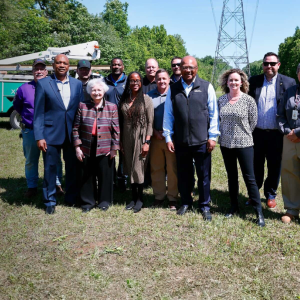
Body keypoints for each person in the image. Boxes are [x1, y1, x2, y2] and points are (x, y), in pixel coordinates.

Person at [163, 56, 220, 220]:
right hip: (181, 140)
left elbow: (213, 113)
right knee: (184, 173)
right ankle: (186, 202)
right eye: (184, 67)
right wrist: (168, 137)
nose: (188, 70)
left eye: (191, 67)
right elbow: (168, 114)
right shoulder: (172, 89)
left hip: (202, 140)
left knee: (204, 175)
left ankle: (204, 205)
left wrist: (213, 136)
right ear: (180, 68)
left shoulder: (206, 87)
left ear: (196, 69)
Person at [34, 54, 84, 214]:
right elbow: (38, 113)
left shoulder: (77, 84)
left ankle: (71, 197)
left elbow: (80, 110)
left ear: (69, 66)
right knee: (50, 168)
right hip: (50, 134)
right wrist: (39, 136)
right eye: (58, 62)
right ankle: (49, 200)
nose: (61, 65)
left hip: (72, 134)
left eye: (65, 63)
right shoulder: (43, 83)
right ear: (53, 65)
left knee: (72, 168)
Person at [248, 52, 296, 208]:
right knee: (256, 164)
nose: (269, 66)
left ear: (278, 65)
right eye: (266, 63)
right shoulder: (253, 81)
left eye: (272, 63)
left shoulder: (289, 82)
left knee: (275, 165)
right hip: (257, 132)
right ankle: (254, 194)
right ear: (262, 65)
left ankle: (270, 195)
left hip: (277, 133)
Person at [218, 69, 265, 227]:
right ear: (226, 82)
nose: (233, 83)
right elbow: (218, 120)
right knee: (232, 177)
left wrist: (242, 134)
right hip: (226, 144)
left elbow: (253, 122)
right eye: (231, 80)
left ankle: (258, 212)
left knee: (249, 178)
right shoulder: (221, 100)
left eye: (236, 80)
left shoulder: (248, 100)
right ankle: (234, 207)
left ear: (242, 82)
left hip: (244, 143)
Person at [13, 59, 64, 198]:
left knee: (55, 159)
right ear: (33, 71)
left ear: (47, 72)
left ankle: (57, 184)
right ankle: (32, 187)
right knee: (31, 159)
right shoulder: (24, 88)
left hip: (49, 130)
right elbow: (18, 106)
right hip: (30, 130)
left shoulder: (53, 86)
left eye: (42, 69)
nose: (39, 71)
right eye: (36, 69)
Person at [73, 79, 120, 212]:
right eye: (93, 90)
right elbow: (75, 128)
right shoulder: (82, 106)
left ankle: (104, 201)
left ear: (104, 91)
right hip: (87, 145)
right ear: (89, 92)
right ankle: (88, 202)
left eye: (99, 90)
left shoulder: (112, 107)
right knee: (87, 174)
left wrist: (114, 149)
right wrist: (77, 147)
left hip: (105, 145)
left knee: (105, 174)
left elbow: (116, 130)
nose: (96, 92)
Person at [119, 71, 154, 213]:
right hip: (126, 138)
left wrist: (147, 142)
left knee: (138, 168)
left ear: (141, 83)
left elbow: (151, 122)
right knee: (129, 167)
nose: (135, 83)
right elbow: (120, 122)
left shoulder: (147, 100)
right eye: (132, 81)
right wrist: (120, 141)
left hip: (141, 137)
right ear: (128, 82)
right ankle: (132, 198)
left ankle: (140, 199)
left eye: (138, 80)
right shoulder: (124, 99)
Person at [147, 69, 178, 210]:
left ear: (169, 79)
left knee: (172, 169)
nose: (161, 81)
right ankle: (159, 196)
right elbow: (145, 118)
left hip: (170, 138)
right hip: (155, 138)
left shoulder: (175, 94)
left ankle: (172, 197)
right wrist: (153, 132)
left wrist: (168, 134)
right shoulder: (148, 96)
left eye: (164, 78)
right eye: (159, 79)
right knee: (156, 168)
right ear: (155, 80)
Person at [277, 63, 300, 223]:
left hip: (296, 135)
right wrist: (287, 131)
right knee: (289, 173)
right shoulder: (291, 91)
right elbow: (280, 114)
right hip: (289, 138)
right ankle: (291, 209)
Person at [104, 58, 128, 191]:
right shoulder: (104, 81)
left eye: (118, 64)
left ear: (123, 66)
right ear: (110, 66)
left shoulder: (128, 82)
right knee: (110, 152)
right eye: (113, 64)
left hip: (124, 122)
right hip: (107, 123)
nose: (116, 66)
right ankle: (110, 178)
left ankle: (122, 178)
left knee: (124, 152)